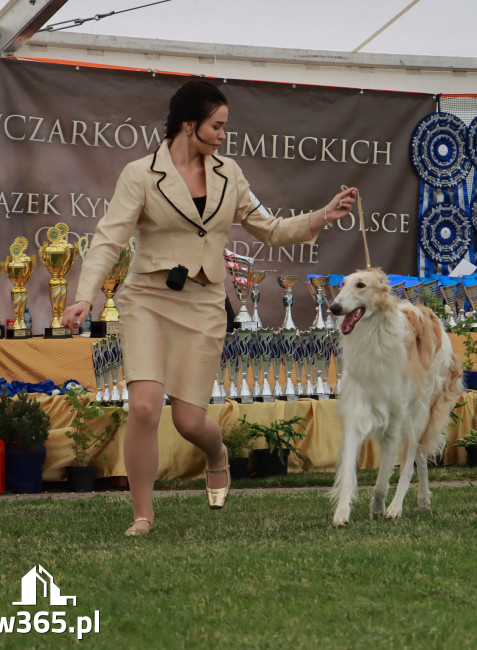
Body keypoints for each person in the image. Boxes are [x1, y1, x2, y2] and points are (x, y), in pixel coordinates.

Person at [62, 79, 357, 536]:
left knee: (188, 419)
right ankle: (143, 515)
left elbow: (271, 229)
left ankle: (216, 455)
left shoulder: (230, 174)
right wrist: (85, 295)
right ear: (188, 125)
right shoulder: (140, 174)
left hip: (203, 303)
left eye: (225, 128)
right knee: (142, 407)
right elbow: (109, 238)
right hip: (147, 299)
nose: (222, 135)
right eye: (216, 126)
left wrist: (322, 215)